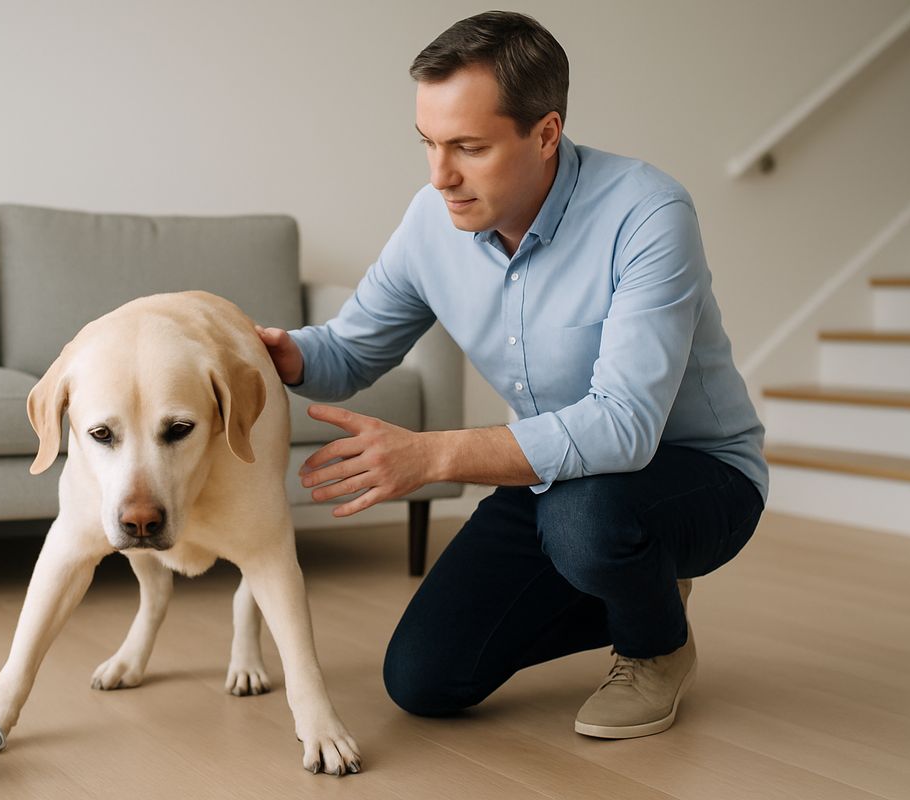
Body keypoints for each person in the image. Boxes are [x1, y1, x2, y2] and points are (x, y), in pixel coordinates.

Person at [256, 10, 766, 739]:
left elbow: (624, 428)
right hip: (557, 478)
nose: (441, 176)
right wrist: (276, 352)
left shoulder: (647, 212)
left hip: (696, 474)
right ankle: (640, 578)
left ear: (546, 133)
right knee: (425, 679)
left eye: (469, 147)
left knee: (586, 521)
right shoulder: (433, 220)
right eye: (429, 144)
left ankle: (656, 644)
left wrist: (432, 454)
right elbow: (350, 353)